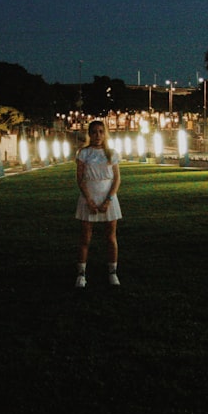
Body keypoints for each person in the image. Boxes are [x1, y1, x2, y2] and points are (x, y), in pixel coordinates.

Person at [74, 120, 122, 288]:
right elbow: (80, 179)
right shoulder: (83, 153)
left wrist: (108, 200)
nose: (98, 135)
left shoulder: (112, 153)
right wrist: (89, 200)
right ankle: (81, 274)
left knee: (111, 237)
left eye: (101, 131)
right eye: (94, 132)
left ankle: (112, 272)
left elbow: (117, 179)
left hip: (108, 197)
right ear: (89, 134)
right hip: (89, 197)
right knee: (85, 238)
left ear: (105, 133)